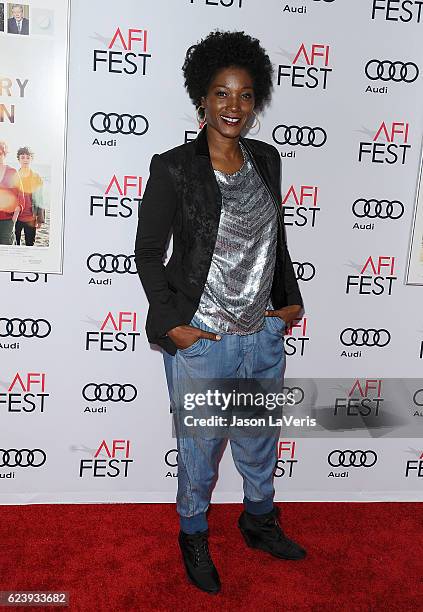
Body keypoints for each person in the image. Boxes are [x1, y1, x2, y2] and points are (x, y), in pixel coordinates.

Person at [135, 30, 306, 594]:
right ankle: (193, 534)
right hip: (204, 339)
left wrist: (290, 298)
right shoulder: (174, 168)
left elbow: (272, 241)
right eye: (222, 94)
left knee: (260, 440)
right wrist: (171, 325)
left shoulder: (266, 160)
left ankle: (259, 521)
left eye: (246, 95)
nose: (234, 106)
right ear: (201, 100)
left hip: (261, 335)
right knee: (201, 453)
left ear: (256, 104)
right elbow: (147, 250)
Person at [15, 147, 45, 246]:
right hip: (15, 218)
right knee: (15, 245)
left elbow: (40, 198)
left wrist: (40, 219)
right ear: (18, 159)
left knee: (30, 244)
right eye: (22, 157)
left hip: (31, 218)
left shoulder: (36, 177)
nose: (25, 160)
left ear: (31, 159)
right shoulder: (14, 176)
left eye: (28, 157)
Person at [0, 141, 24, 244]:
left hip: (7, 220)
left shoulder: (12, 172)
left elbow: (20, 196)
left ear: (4, 154)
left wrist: (14, 219)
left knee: (6, 250)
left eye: (0, 153)